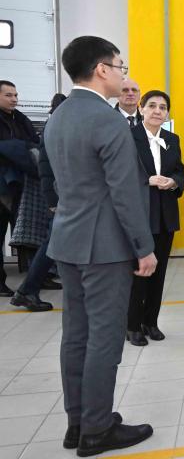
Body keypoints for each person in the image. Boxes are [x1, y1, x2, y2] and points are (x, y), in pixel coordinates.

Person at [44, 36, 156, 456]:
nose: (124, 74)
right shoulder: (107, 121)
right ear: (101, 69)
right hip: (105, 247)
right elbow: (124, 192)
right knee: (105, 338)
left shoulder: (59, 116)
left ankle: (78, 422)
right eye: (120, 66)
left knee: (75, 335)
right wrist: (143, 247)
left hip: (68, 241)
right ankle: (97, 429)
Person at [126, 90, 184, 346]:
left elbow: (181, 172)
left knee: (159, 273)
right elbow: (119, 175)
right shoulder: (128, 137)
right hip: (139, 214)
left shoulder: (172, 139)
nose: (157, 111)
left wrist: (173, 182)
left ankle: (151, 321)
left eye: (163, 107)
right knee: (139, 272)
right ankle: (132, 325)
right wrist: (146, 180)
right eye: (152, 106)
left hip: (165, 215)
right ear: (141, 109)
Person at [9, 93, 68, 312]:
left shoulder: (54, 126)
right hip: (62, 198)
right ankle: (27, 291)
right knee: (52, 243)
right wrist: (53, 200)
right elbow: (46, 166)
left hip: (61, 197)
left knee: (52, 243)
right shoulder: (56, 127)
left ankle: (30, 288)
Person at [0, 80, 41, 298]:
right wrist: (21, 148)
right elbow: (14, 148)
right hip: (3, 187)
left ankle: (38, 276)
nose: (14, 99)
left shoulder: (20, 118)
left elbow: (35, 144)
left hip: (22, 186)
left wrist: (20, 148)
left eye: (15, 95)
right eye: (8, 95)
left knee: (29, 232)